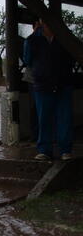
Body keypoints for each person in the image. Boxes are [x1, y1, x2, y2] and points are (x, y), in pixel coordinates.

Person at [29, 20, 74, 161]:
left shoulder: (64, 39)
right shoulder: (34, 40)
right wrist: (33, 36)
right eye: (41, 24)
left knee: (64, 119)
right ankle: (44, 150)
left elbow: (71, 58)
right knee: (44, 119)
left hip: (63, 85)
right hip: (42, 87)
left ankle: (65, 150)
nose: (44, 26)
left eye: (46, 23)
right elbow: (27, 58)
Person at [22, 19, 42, 141]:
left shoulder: (29, 40)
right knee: (41, 108)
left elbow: (27, 60)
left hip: (33, 78)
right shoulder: (50, 39)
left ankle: (36, 136)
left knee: (35, 108)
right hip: (42, 79)